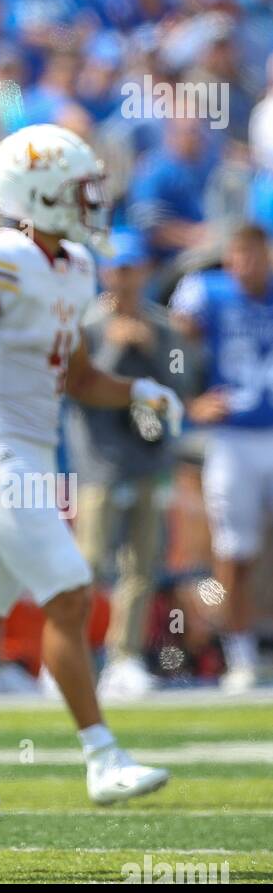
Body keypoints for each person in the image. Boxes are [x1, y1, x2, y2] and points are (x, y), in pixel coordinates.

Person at [0, 125, 181, 806]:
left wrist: (137, 389)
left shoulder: (74, 268)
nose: (90, 202)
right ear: (39, 193)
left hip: (30, 453)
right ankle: (101, 757)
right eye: (78, 190)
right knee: (70, 593)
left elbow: (76, 377)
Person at [66, 228, 193, 700]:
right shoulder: (86, 325)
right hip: (100, 461)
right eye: (118, 268)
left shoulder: (164, 327)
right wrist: (117, 349)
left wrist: (150, 350)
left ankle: (126, 655)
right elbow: (77, 387)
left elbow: (180, 388)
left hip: (148, 459)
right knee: (90, 562)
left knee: (143, 562)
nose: (126, 279)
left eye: (133, 268)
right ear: (104, 272)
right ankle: (72, 653)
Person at [171, 223, 273, 692]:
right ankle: (240, 653)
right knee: (235, 550)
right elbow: (170, 347)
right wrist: (188, 401)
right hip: (231, 436)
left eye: (252, 255)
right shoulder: (207, 294)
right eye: (236, 255)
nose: (244, 264)